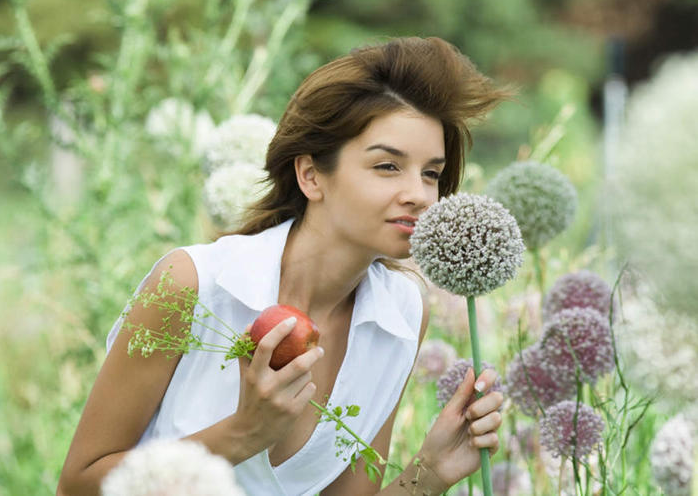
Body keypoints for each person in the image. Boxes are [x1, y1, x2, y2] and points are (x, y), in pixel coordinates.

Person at [57, 36, 511, 496]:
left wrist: (429, 471)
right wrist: (241, 434)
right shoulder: (192, 284)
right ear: (311, 175)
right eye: (388, 166)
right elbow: (76, 485)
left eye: (431, 173)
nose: (418, 193)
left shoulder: (402, 314)